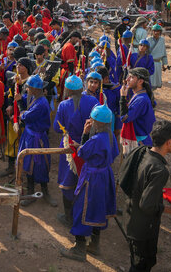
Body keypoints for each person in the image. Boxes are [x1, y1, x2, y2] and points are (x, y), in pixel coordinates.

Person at [121, 120, 171, 272]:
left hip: (130, 215)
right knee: (142, 265)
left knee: (135, 261)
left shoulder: (142, 151)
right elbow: (147, 205)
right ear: (169, 142)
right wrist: (169, 209)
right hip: (142, 228)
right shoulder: (159, 170)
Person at [61, 104, 119, 262]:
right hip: (105, 175)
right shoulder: (110, 136)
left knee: (82, 209)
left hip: (92, 178)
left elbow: (83, 153)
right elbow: (114, 153)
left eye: (92, 120)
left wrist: (84, 136)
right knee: (98, 209)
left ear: (97, 122)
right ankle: (94, 244)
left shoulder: (96, 139)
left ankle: (79, 249)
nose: (90, 122)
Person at [54, 75, 100, 226]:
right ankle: (82, 215)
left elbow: (56, 127)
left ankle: (68, 217)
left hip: (69, 146)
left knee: (68, 180)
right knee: (84, 179)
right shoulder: (93, 101)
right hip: (88, 145)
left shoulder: (63, 105)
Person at [17, 74, 57, 207]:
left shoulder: (41, 104)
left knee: (40, 165)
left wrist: (21, 111)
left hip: (36, 138)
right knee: (29, 164)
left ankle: (44, 192)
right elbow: (25, 98)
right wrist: (20, 98)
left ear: (34, 89)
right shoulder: (36, 98)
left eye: (28, 87)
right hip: (30, 136)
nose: (26, 89)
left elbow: (27, 117)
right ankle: (31, 192)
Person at [120, 67, 156, 155]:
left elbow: (125, 118)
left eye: (131, 77)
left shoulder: (141, 100)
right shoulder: (138, 95)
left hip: (138, 143)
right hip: (136, 138)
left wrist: (122, 98)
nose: (127, 79)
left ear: (140, 81)